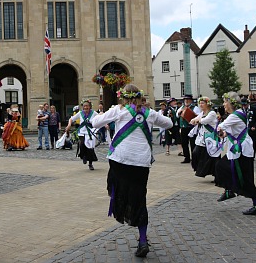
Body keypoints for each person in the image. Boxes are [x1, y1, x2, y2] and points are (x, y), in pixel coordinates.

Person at [91, 84, 172, 258]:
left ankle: (123, 206)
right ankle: (142, 239)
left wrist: (104, 114)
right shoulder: (150, 113)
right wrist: (151, 115)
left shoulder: (119, 110)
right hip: (141, 163)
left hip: (120, 160)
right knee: (140, 198)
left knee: (117, 187)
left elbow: (95, 122)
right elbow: (169, 123)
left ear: (123, 97)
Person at [215, 92, 256, 215]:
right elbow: (230, 130)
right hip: (237, 148)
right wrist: (223, 133)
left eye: (225, 102)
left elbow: (221, 127)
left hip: (242, 149)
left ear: (231, 103)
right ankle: (229, 190)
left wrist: (219, 129)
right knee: (222, 166)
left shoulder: (235, 115)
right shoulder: (236, 114)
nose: (224, 104)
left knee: (246, 176)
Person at [189, 97, 219, 178]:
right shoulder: (202, 113)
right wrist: (194, 120)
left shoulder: (212, 113)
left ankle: (216, 174)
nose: (200, 105)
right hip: (202, 138)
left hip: (211, 139)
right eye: (200, 103)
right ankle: (199, 169)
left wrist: (197, 120)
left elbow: (204, 121)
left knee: (212, 158)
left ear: (207, 104)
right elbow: (194, 120)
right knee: (195, 153)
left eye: (203, 103)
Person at [66, 99, 98, 170]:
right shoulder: (80, 113)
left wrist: (105, 125)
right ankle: (83, 156)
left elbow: (100, 118)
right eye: (84, 106)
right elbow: (71, 119)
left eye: (87, 106)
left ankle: (90, 163)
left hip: (90, 133)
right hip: (82, 132)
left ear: (90, 106)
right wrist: (69, 125)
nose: (86, 107)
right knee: (82, 144)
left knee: (90, 148)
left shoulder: (94, 113)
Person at [177, 94, 200, 164]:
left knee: (193, 143)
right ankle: (186, 157)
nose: (186, 101)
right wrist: (180, 113)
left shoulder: (195, 108)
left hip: (191, 128)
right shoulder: (181, 107)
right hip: (183, 128)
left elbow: (198, 116)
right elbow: (177, 115)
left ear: (191, 100)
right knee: (184, 143)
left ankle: (194, 158)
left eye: (188, 100)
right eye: (185, 100)